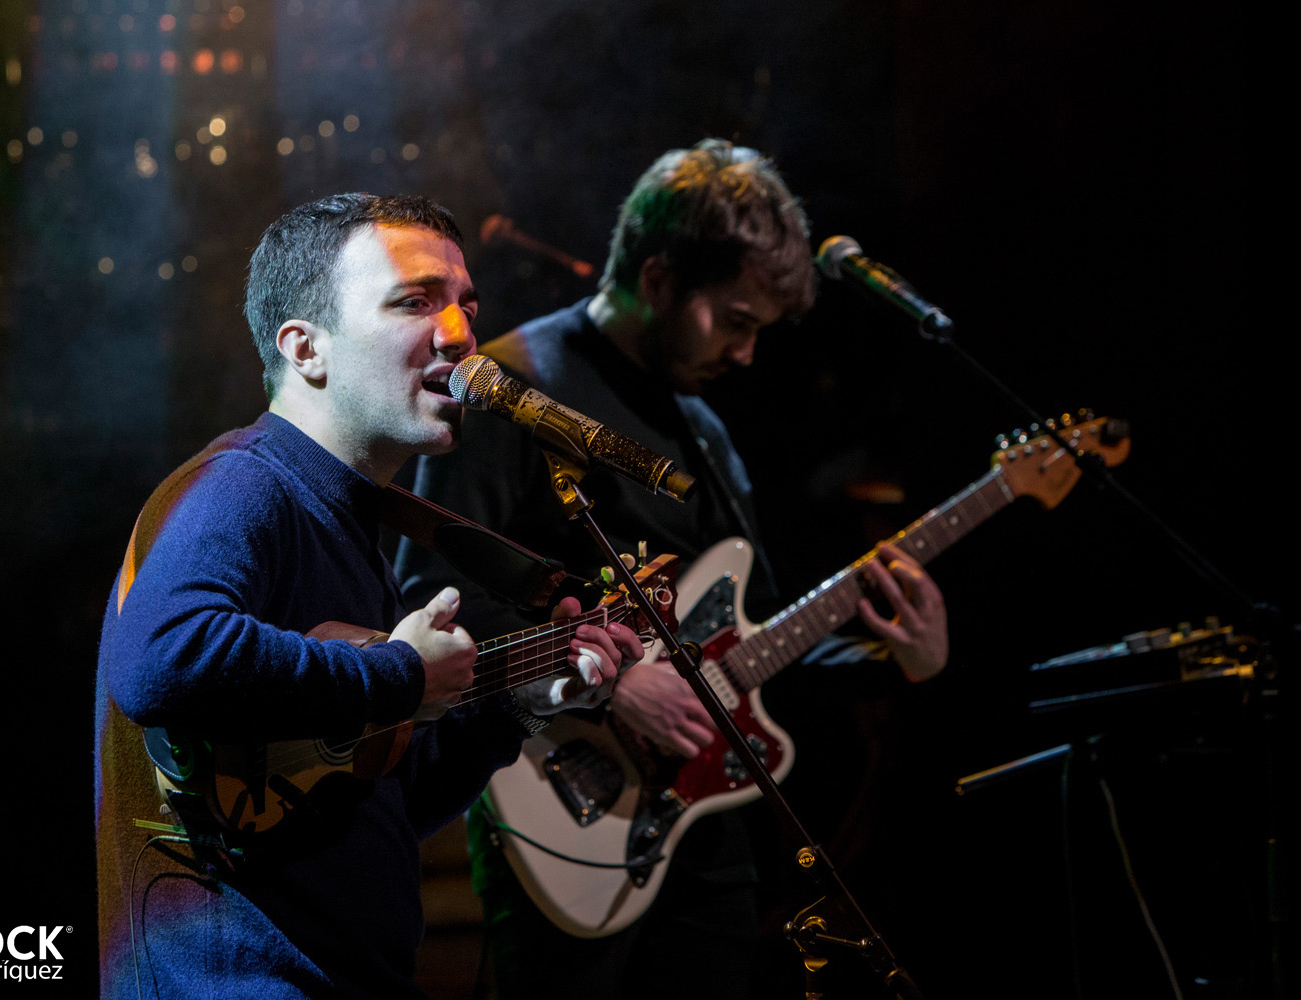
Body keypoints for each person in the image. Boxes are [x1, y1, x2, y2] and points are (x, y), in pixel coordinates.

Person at [395, 141, 949, 997]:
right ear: (657, 280)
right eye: (736, 321)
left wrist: (902, 659)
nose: (747, 354)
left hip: (703, 827)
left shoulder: (707, 433)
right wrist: (611, 680)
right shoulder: (510, 387)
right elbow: (430, 602)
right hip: (560, 810)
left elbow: (757, 644)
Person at [93, 193, 645, 999]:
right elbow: (160, 658)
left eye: (465, 305)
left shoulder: (354, 526)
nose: (459, 334)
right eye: (414, 302)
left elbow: (377, 802)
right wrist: (400, 674)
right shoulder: (243, 484)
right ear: (306, 347)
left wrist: (514, 707)